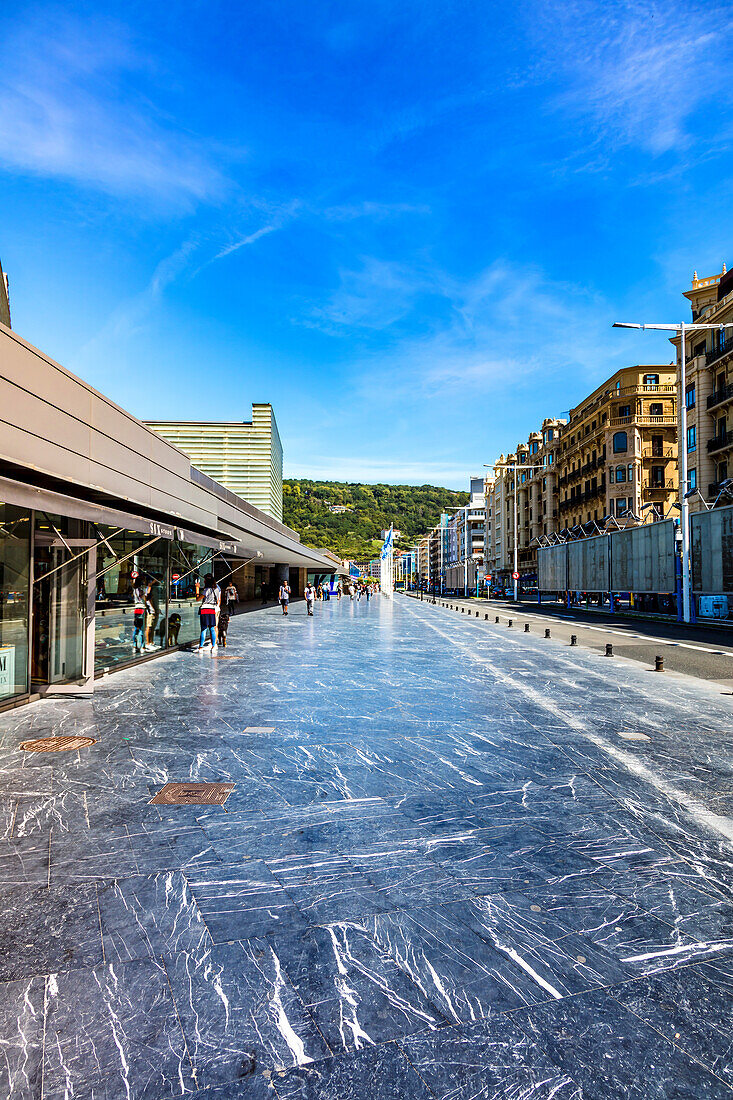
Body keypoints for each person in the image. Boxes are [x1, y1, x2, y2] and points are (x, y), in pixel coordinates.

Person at [198, 572, 219, 653]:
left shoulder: (206, 590)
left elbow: (198, 599)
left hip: (204, 609)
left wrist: (197, 589)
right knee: (212, 628)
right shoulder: (216, 589)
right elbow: (217, 600)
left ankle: (200, 647)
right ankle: (213, 646)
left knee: (203, 629)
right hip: (212, 609)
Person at [145, 576, 161, 651]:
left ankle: (151, 642)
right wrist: (154, 609)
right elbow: (149, 599)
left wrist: (157, 609)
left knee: (153, 627)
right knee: (149, 627)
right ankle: (148, 643)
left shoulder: (155, 588)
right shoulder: (150, 588)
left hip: (155, 610)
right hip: (151, 611)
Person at [132, 578, 147, 653]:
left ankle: (134, 646)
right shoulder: (141, 590)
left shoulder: (134, 590)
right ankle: (142, 646)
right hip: (142, 609)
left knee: (136, 628)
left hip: (136, 609)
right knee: (142, 629)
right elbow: (144, 598)